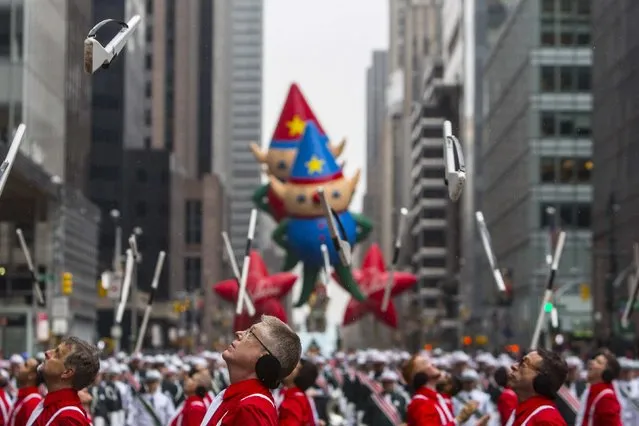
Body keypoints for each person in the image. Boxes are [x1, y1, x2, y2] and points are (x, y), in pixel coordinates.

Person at [201, 315, 302, 426]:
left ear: (264, 357)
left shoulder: (252, 409)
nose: (239, 333)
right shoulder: (239, 400)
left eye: (250, 333)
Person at [28, 336, 100, 426]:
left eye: (57, 354)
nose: (47, 353)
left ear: (67, 372)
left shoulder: (68, 419)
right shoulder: (50, 405)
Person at [402, 353, 489, 426]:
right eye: (425, 363)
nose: (432, 364)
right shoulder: (420, 403)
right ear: (417, 375)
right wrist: (458, 420)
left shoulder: (437, 399)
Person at [506, 349, 568, 425]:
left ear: (542, 379)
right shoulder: (521, 412)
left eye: (523, 364)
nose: (514, 366)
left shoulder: (547, 420)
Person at [575, 349, 622, 426]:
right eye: (593, 359)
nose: (591, 362)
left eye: (598, 362)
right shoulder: (592, 392)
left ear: (607, 372)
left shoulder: (607, 398)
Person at [278, 359, 318, 426]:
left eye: (294, 367)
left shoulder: (295, 399)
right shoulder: (290, 393)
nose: (287, 368)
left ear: (301, 374)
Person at [7, 357, 43, 426]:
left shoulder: (33, 402)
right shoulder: (23, 397)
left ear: (32, 375)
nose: (20, 365)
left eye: (25, 365)